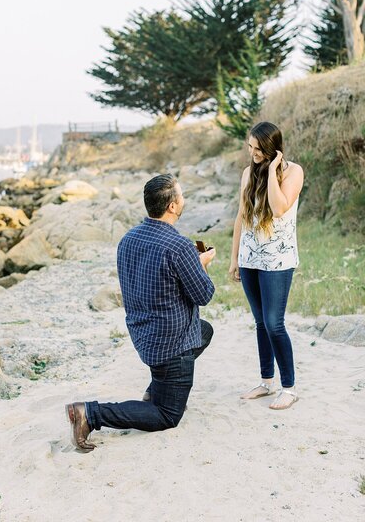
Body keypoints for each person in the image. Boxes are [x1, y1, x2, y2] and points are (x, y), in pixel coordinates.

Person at [66, 173, 216, 451]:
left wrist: (190, 265)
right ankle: (89, 413)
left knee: (204, 330)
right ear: (172, 206)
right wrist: (201, 264)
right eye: (181, 196)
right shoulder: (179, 246)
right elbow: (204, 295)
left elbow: (158, 280)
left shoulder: (128, 239)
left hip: (143, 335)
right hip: (170, 345)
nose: (183, 200)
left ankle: (157, 387)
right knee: (167, 415)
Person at [229, 121, 304, 410]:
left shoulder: (293, 172)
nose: (253, 153)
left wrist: (273, 171)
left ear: (273, 149)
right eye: (250, 147)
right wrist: (235, 258)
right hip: (250, 259)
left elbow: (279, 207)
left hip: (278, 260)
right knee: (260, 323)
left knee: (275, 323)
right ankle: (265, 382)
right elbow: (241, 217)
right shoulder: (248, 173)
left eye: (259, 149)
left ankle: (289, 388)